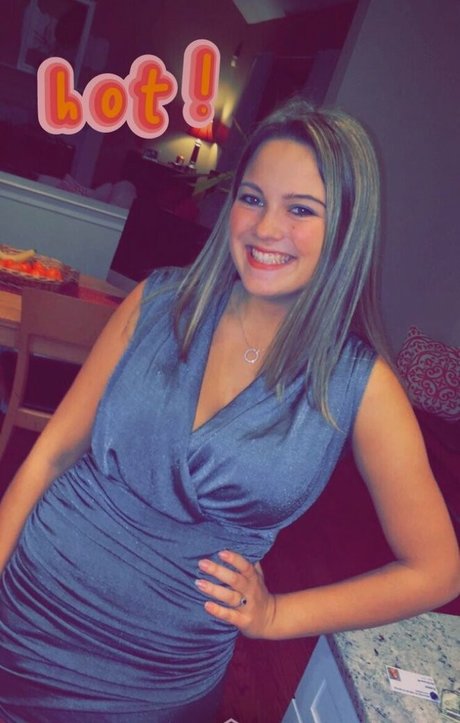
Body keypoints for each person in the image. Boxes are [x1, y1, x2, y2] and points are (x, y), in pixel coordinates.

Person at [0, 97, 458, 722]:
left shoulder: (361, 384)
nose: (266, 228)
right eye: (252, 198)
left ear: (347, 228)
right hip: (26, 610)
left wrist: (277, 615)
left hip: (156, 680)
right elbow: (50, 455)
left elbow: (437, 570)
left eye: (301, 209)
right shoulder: (158, 301)